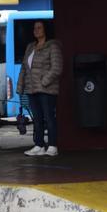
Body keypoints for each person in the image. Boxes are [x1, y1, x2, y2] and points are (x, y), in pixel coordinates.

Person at [17, 21, 62, 157]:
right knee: (37, 119)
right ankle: (39, 145)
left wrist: (44, 82)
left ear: (45, 30)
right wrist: (20, 86)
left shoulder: (53, 46)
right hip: (32, 89)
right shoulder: (30, 47)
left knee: (49, 118)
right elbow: (24, 68)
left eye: (39, 28)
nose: (36, 30)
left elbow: (57, 68)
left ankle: (53, 146)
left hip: (47, 90)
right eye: (34, 28)